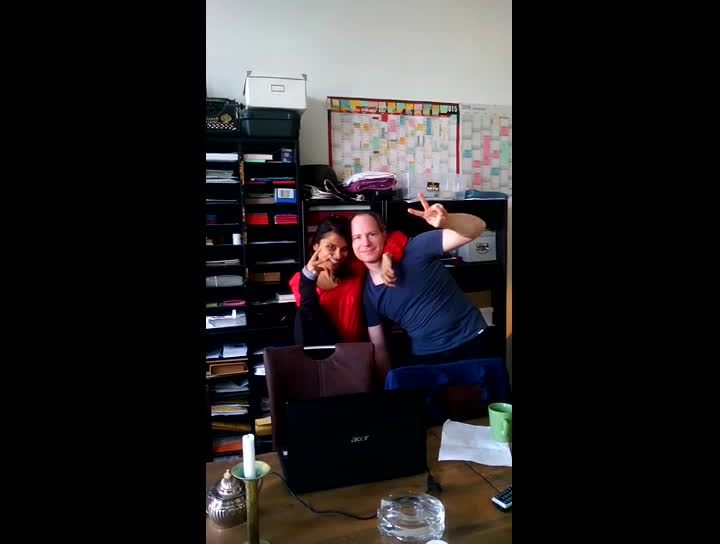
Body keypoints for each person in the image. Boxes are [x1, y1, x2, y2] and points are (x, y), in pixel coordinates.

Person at [351, 194, 493, 369]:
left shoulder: (416, 248)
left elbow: (478, 226)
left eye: (372, 234)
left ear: (384, 234)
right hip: (427, 357)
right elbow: (379, 348)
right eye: (357, 237)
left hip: (471, 340)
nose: (365, 242)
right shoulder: (368, 293)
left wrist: (448, 221)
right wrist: (388, 384)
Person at [289, 216, 407, 346]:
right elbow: (310, 315)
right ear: (316, 246)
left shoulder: (355, 267)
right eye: (331, 247)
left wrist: (387, 256)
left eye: (344, 249)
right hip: (327, 350)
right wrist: (309, 279)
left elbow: (397, 236)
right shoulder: (300, 280)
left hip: (360, 347)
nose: (338, 255)